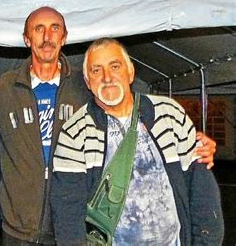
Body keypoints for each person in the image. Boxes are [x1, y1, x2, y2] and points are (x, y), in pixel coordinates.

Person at [0, 6, 217, 245]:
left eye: (55, 29)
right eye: (39, 29)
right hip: (21, 227)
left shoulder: (83, 87)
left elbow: (199, 189)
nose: (47, 37)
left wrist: (194, 141)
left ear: (64, 37)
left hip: (74, 226)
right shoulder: (3, 90)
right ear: (26, 39)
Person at [51, 38, 224, 245]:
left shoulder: (170, 115)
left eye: (115, 66)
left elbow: (202, 192)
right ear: (88, 83)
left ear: (131, 72)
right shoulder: (74, 133)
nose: (107, 77)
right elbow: (67, 214)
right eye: (96, 71)